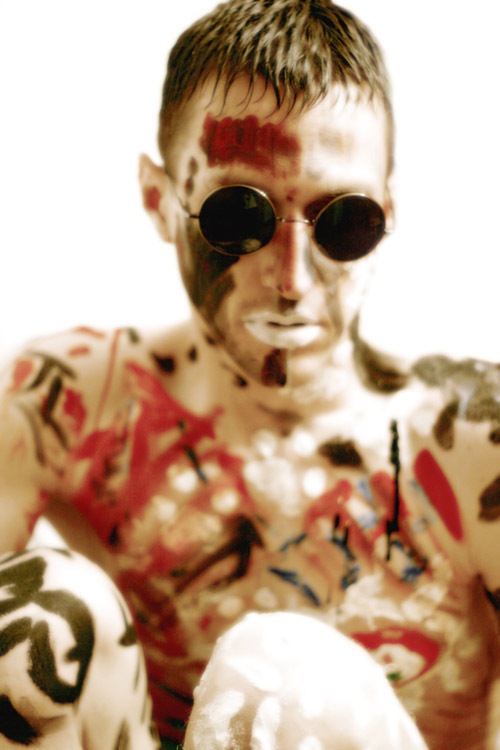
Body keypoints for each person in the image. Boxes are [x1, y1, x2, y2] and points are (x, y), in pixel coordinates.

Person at [0, 0, 499, 748]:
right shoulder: (71, 401)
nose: (292, 277)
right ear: (159, 200)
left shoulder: (475, 442)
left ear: (388, 213)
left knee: (282, 677)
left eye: (344, 221)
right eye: (239, 216)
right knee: (35, 610)